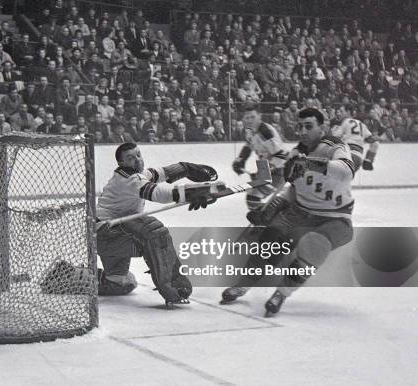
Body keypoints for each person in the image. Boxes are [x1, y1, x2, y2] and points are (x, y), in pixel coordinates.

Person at [219, 108, 355, 316]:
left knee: (314, 245)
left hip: (335, 216)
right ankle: (243, 284)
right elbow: (293, 187)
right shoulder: (295, 152)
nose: (302, 131)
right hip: (301, 211)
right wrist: (273, 206)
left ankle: (282, 293)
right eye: (300, 126)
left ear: (322, 127)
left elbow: (347, 171)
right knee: (270, 239)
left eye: (308, 126)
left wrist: (311, 164)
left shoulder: (334, 145)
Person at [96, 142, 220, 306]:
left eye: (138, 154)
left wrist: (187, 168)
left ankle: (73, 275)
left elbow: (160, 173)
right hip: (108, 235)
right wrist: (195, 193)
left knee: (120, 284)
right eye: (130, 158)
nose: (137, 160)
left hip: (106, 235)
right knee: (153, 232)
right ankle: (174, 287)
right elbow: (159, 193)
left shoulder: (130, 175)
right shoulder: (130, 180)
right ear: (122, 163)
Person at [232, 104, 288, 211]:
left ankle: (269, 221)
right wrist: (240, 160)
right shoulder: (249, 130)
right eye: (247, 118)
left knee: (253, 198)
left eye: (253, 117)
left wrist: (265, 171)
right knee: (253, 199)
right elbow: (249, 146)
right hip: (266, 166)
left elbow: (281, 155)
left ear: (260, 116)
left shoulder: (265, 131)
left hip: (280, 169)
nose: (249, 120)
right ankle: (264, 220)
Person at [330, 104, 379, 171]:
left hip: (346, 155)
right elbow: (375, 143)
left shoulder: (345, 122)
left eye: (341, 111)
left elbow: (333, 138)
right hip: (358, 159)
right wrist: (368, 159)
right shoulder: (361, 124)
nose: (339, 114)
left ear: (348, 112)